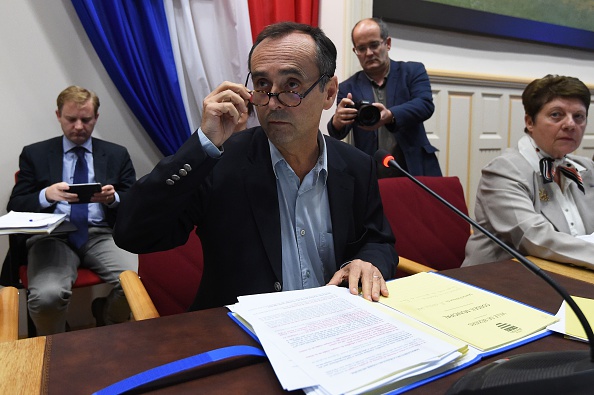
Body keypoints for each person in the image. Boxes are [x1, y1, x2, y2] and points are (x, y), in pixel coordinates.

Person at [114, 22, 398, 311]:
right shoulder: (218, 163)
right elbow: (133, 233)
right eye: (262, 85)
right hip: (244, 336)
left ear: (328, 93)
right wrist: (201, 145)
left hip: (336, 325)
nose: (272, 102)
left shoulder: (357, 165)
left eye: (292, 85)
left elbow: (378, 240)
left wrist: (367, 262)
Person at [8, 85, 137, 335]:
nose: (78, 126)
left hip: (101, 234)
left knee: (137, 284)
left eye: (86, 119)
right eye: (71, 119)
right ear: (58, 116)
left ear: (96, 118)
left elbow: (134, 199)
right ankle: (58, 345)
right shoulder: (35, 154)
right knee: (46, 298)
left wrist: (113, 199)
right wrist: (46, 194)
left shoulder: (116, 154)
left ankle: (107, 318)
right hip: (52, 236)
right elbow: (15, 205)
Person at [463, 75, 594, 267]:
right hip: (501, 281)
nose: (570, 124)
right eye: (556, 115)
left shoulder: (586, 168)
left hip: (571, 274)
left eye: (578, 116)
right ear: (530, 122)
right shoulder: (504, 171)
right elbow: (535, 239)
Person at [327, 18, 441, 178]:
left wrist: (390, 116)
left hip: (415, 167)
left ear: (387, 43)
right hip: (371, 174)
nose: (368, 53)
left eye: (374, 45)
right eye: (361, 48)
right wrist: (337, 122)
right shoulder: (348, 87)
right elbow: (339, 132)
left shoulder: (413, 71)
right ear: (355, 51)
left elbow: (425, 105)